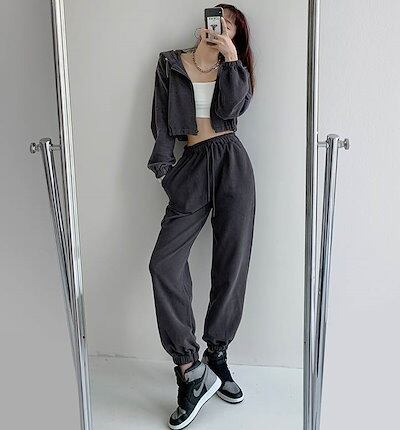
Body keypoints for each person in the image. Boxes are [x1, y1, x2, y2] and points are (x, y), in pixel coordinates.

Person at [148, 4, 256, 429]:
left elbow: (232, 109)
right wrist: (164, 170)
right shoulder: (170, 63)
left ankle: (217, 354)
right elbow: (161, 122)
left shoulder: (235, 69)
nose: (220, 26)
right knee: (164, 264)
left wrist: (231, 59)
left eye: (229, 25)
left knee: (231, 264)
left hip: (232, 162)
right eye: (218, 18)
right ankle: (191, 368)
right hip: (191, 165)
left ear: (234, 36)